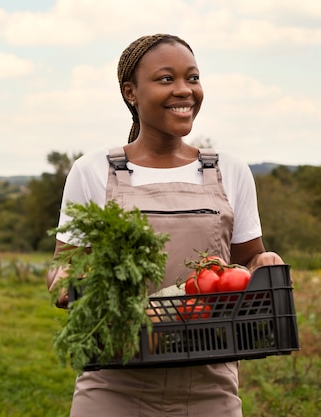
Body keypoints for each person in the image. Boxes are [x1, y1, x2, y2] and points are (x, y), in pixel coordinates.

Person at [47, 33, 284, 417]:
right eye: (165, 79)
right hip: (113, 380)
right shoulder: (93, 170)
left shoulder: (230, 171)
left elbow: (246, 263)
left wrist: (264, 264)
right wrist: (65, 279)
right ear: (131, 93)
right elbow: (65, 263)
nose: (184, 90)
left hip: (210, 383)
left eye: (192, 78)